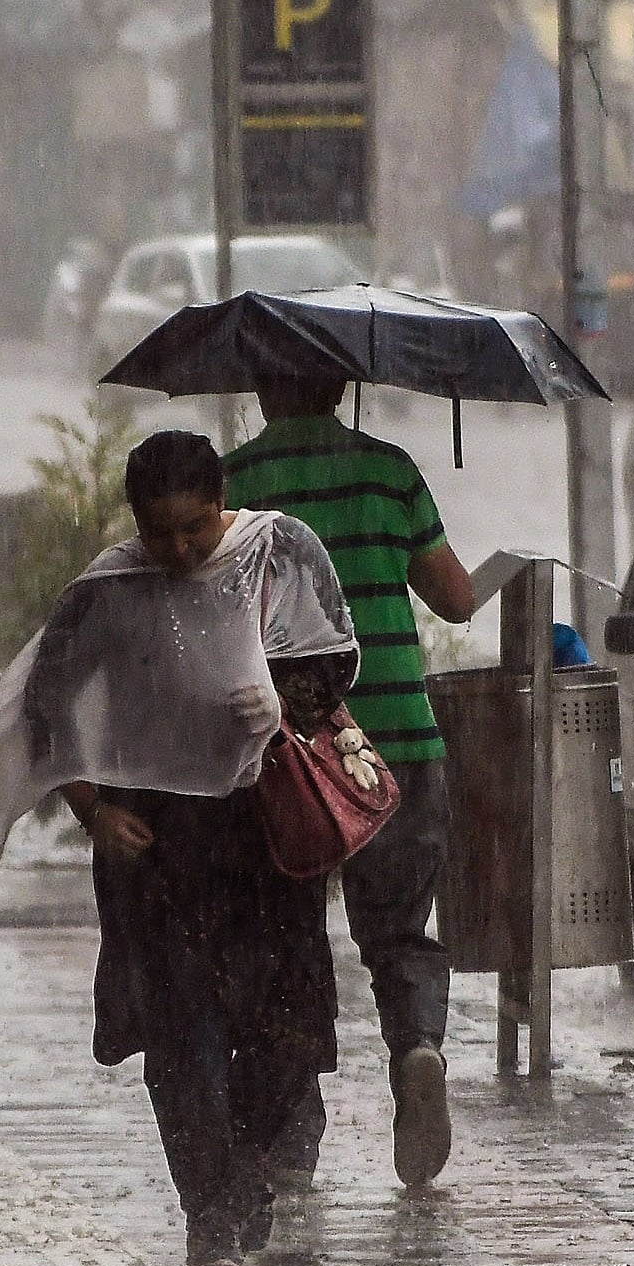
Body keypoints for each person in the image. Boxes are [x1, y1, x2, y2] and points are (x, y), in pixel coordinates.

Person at [0, 430, 359, 1266]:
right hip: (158, 846)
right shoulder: (113, 586)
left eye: (195, 530)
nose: (178, 551)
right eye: (161, 532)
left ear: (221, 504)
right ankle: (209, 1216)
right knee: (182, 1035)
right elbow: (48, 697)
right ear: (136, 521)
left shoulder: (279, 554)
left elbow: (334, 661)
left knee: (282, 1031)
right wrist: (93, 806)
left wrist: (281, 697)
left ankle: (244, 1174)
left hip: (266, 838)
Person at [225, 372, 477, 1190]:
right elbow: (457, 598)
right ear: (342, 382)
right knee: (400, 928)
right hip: (395, 738)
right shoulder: (389, 469)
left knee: (286, 938)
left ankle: (292, 1133)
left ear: (264, 390)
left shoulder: (235, 483)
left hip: (284, 747)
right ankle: (416, 1048)